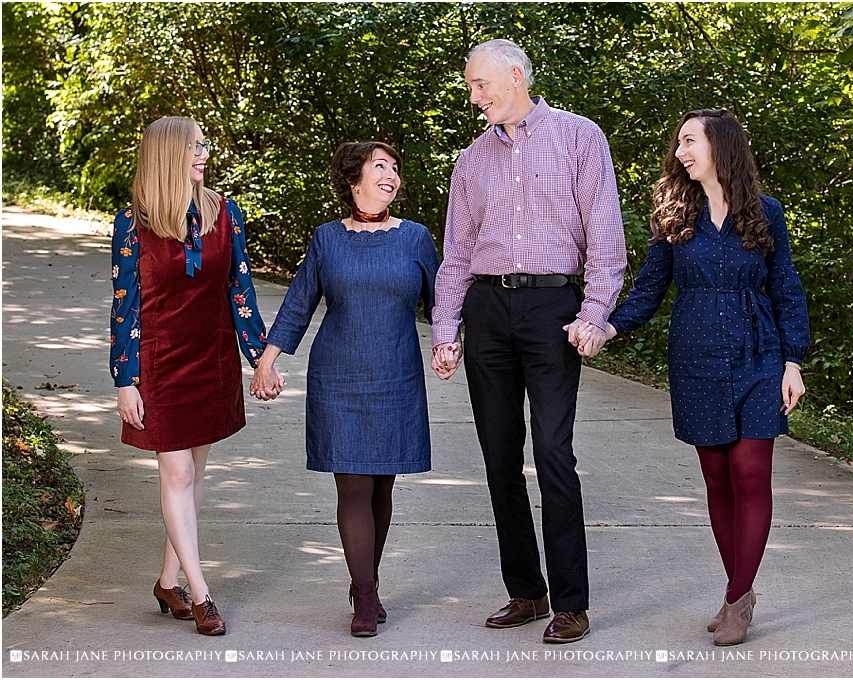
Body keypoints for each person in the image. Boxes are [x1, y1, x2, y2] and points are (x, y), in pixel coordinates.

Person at [586, 108, 809, 646]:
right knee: (716, 478)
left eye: (691, 141)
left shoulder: (765, 212)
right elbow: (649, 288)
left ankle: (736, 600)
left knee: (751, 473)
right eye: (679, 143)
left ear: (721, 146)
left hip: (759, 354)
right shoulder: (672, 213)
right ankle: (740, 589)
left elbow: (786, 289)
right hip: (696, 356)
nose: (681, 152)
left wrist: (793, 361)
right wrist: (605, 328)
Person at [430, 39, 627, 644]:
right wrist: (446, 328)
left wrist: (595, 311)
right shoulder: (470, 161)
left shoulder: (578, 136)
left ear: (514, 76)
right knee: (497, 456)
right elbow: (457, 254)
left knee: (553, 452)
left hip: (552, 308)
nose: (474, 96)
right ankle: (527, 591)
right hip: (488, 309)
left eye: (480, 85)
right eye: (470, 87)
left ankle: (572, 601)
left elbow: (605, 232)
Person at [249, 142, 439, 637]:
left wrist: (451, 343)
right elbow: (299, 302)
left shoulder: (416, 238)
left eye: (396, 168)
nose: (391, 175)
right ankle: (367, 594)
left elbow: (444, 301)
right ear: (353, 179)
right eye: (381, 167)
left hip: (396, 375)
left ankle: (364, 581)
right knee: (352, 482)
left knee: (381, 484)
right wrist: (267, 361)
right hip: (339, 376)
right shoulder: (327, 239)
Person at [110, 116, 282, 636]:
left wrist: (261, 358)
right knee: (178, 475)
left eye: (205, 145)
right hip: (160, 363)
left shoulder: (224, 213)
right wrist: (124, 378)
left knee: (194, 475)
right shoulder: (132, 221)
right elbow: (124, 308)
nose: (204, 153)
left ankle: (167, 580)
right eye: (194, 147)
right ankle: (202, 592)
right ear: (168, 155)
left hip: (212, 358)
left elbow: (239, 290)